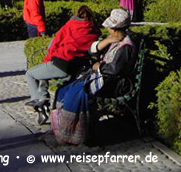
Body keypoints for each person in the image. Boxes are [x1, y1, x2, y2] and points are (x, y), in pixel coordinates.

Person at [50, 8, 137, 145]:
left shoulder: (125, 46)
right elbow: (91, 50)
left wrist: (98, 67)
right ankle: (62, 127)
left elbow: (114, 69)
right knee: (64, 89)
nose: (107, 29)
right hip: (106, 78)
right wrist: (108, 41)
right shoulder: (115, 40)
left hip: (114, 83)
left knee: (76, 92)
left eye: (109, 27)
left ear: (114, 29)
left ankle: (71, 132)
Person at [25, 5, 101, 122]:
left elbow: (55, 42)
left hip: (62, 62)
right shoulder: (94, 30)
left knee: (30, 74)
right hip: (76, 67)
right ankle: (44, 104)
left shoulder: (70, 25)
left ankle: (39, 102)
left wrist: (47, 60)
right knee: (44, 76)